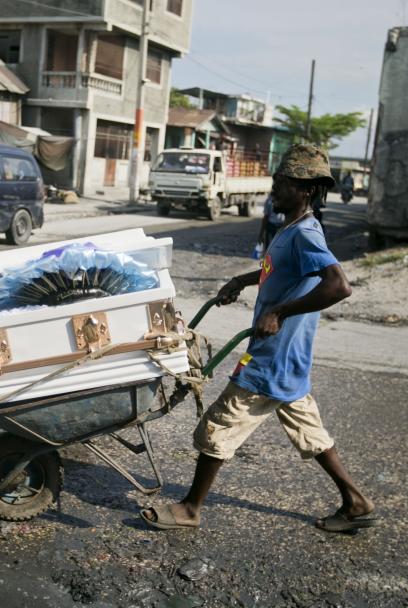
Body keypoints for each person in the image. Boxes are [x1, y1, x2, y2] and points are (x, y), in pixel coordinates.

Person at [140, 143, 376, 534]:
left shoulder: (306, 234)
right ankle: (356, 502)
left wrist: (279, 312)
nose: (274, 190)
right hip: (287, 359)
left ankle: (190, 508)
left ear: (306, 190)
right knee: (309, 430)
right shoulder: (290, 229)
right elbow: (279, 270)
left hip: (273, 355)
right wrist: (243, 280)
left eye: (283, 184)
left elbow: (339, 286)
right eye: (276, 181)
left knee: (218, 425)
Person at [254, 194, 285, 259]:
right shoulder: (269, 200)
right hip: (272, 228)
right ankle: (269, 267)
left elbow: (265, 217)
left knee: (278, 250)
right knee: (270, 250)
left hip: (282, 228)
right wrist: (261, 234)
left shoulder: (286, 199)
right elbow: (265, 217)